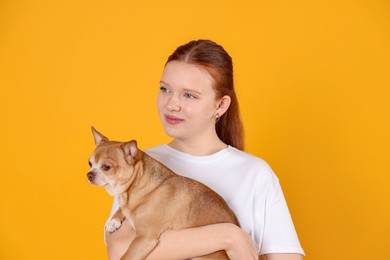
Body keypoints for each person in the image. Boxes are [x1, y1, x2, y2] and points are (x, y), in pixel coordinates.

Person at [105, 39, 305, 259]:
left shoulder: (256, 174)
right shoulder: (138, 163)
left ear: (220, 105)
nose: (172, 104)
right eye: (165, 89)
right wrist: (228, 236)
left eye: (189, 95)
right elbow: (120, 250)